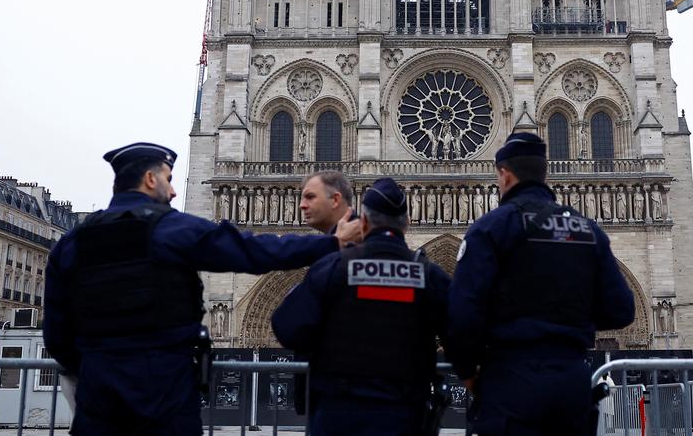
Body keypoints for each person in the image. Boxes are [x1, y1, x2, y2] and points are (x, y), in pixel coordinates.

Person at [44, 142, 363, 436]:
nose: (172, 192)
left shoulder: (74, 242)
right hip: (164, 384)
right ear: (150, 180)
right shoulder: (172, 229)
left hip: (98, 386)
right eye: (168, 179)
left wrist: (95, 363)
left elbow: (56, 333)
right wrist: (332, 242)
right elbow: (253, 251)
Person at [448, 132, 637, 436]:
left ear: (505, 175)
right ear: (544, 174)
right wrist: (571, 316)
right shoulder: (587, 230)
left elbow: (461, 315)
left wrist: (470, 374)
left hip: (511, 381)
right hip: (571, 382)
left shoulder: (490, 229)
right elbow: (621, 310)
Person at [272, 178, 451, 436]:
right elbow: (462, 336)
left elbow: (286, 328)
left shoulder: (332, 268)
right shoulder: (430, 277)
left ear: (363, 223)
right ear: (407, 224)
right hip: (404, 416)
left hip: (338, 416)